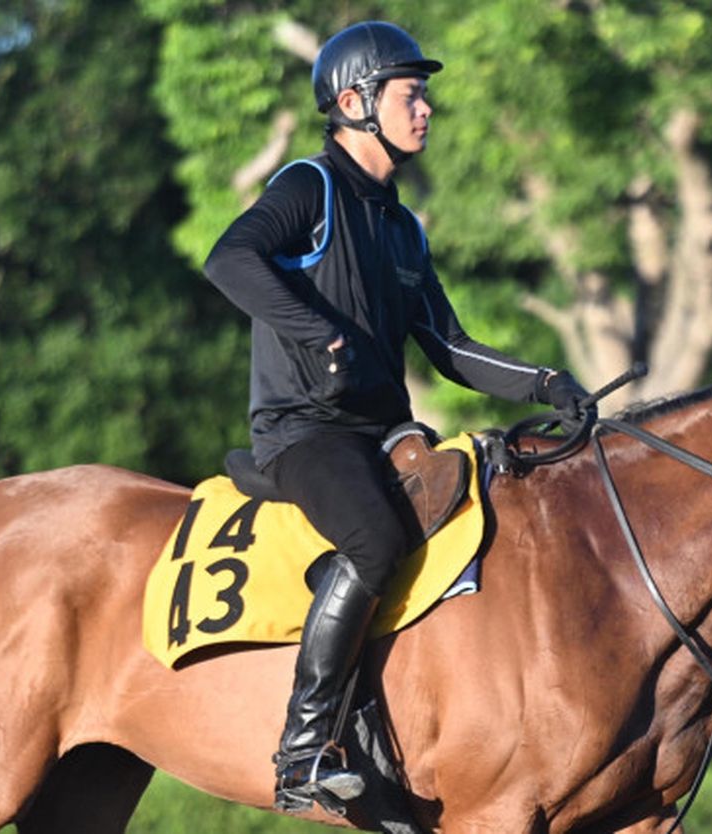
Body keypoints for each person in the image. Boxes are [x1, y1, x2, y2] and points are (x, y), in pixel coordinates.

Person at [204, 20, 592, 814]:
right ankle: (304, 751)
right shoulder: (308, 185)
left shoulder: (403, 226)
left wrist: (551, 383)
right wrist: (325, 333)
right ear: (355, 102)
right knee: (376, 539)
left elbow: (449, 347)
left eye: (424, 97)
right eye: (411, 95)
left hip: (384, 435)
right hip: (303, 431)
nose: (427, 111)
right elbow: (229, 259)